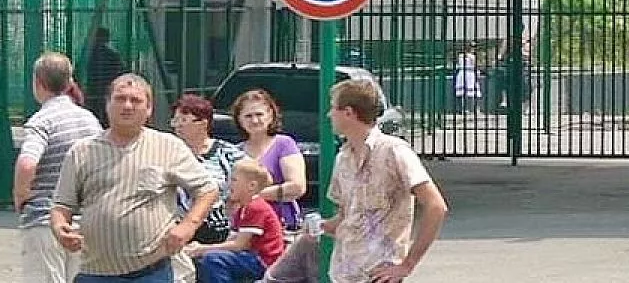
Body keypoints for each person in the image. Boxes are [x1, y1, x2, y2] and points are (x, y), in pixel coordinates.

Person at [262, 79, 448, 283]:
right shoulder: (343, 158)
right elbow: (348, 217)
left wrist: (407, 264)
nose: (329, 114)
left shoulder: (394, 151)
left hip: (378, 273)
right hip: (344, 273)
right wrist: (321, 226)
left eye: (333, 108)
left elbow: (436, 206)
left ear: (348, 113)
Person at [51, 73, 218, 283]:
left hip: (150, 272)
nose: (127, 106)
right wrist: (60, 229)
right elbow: (62, 205)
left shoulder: (168, 147)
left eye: (136, 100)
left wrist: (188, 226)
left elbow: (207, 190)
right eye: (120, 99)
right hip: (94, 272)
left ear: (149, 109)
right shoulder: (82, 151)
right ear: (107, 104)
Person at [14, 52, 103, 283]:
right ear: (69, 81)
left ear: (38, 82)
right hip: (83, 221)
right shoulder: (90, 120)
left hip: (45, 219)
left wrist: (21, 196)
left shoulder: (42, 121)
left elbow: (27, 163)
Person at [186, 158, 285, 283]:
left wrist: (202, 249)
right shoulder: (242, 209)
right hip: (250, 256)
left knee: (214, 260)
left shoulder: (256, 207)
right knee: (203, 260)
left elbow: (240, 245)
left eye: (234, 180)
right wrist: (202, 248)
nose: (229, 184)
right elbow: (232, 239)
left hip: (263, 261)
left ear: (252, 186)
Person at [171, 94, 246, 245]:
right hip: (177, 230)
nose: (177, 125)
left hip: (219, 231)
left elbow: (259, 178)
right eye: (175, 120)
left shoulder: (227, 152)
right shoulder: (169, 152)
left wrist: (236, 200)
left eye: (183, 120)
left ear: (203, 123)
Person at [230, 89, 306, 232]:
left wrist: (252, 196)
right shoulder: (234, 152)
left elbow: (297, 187)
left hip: (281, 226)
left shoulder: (284, 144)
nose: (254, 120)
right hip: (244, 228)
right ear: (239, 119)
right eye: (248, 116)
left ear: (270, 115)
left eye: (259, 114)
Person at [83, 27, 125, 127]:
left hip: (93, 89)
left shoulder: (89, 54)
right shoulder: (113, 54)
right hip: (107, 88)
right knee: (106, 115)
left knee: (94, 113)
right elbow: (121, 71)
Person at [454, 43, 481, 114]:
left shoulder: (462, 56)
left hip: (467, 73)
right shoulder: (469, 56)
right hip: (467, 74)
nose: (473, 49)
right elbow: (475, 65)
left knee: (471, 93)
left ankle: (471, 109)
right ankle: (466, 109)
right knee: (464, 93)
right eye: (472, 47)